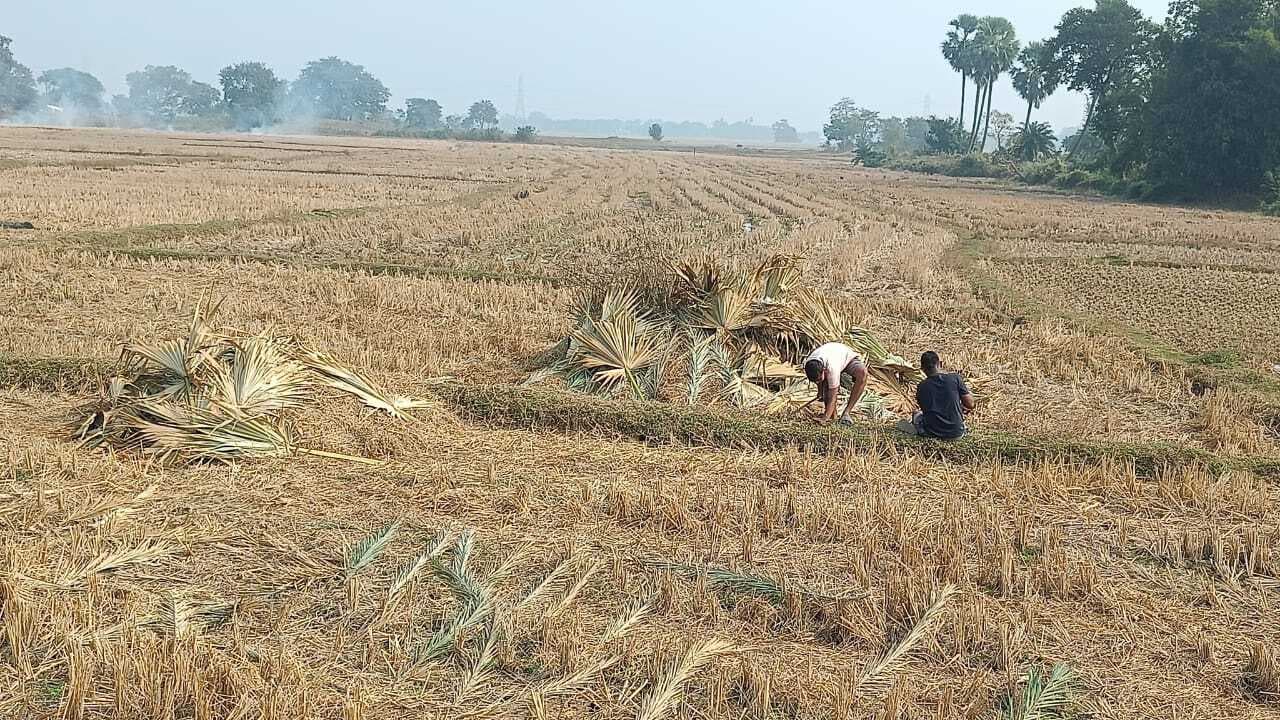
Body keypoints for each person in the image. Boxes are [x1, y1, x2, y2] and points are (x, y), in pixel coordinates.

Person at [897, 351, 975, 439]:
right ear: (940, 364)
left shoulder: (922, 386)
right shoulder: (954, 378)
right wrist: (959, 407)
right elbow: (970, 404)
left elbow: (927, 410)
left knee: (916, 414)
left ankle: (917, 429)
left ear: (922, 369)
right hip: (956, 433)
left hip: (931, 433)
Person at [801, 342, 868, 425]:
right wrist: (820, 391)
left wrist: (824, 418)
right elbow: (817, 378)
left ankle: (846, 413)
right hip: (831, 357)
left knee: (862, 373)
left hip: (846, 357)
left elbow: (833, 395)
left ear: (824, 371)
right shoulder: (809, 363)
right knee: (826, 388)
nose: (817, 382)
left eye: (819, 379)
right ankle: (833, 417)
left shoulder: (831, 367)